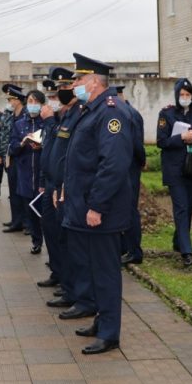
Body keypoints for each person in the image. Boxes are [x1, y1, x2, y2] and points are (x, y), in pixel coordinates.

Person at [62, 53, 134, 355]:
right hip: (84, 205)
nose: (74, 84)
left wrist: (97, 206)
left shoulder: (111, 112)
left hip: (101, 210)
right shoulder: (88, 110)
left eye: (78, 79)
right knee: (93, 269)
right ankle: (101, 320)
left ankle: (110, 333)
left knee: (105, 272)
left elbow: (113, 165)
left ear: (93, 82)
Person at [157, 78, 192, 268]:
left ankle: (178, 241)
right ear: (176, 95)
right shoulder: (167, 113)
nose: (185, 98)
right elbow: (161, 142)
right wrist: (181, 137)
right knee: (180, 208)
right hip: (174, 170)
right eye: (182, 95)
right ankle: (187, 252)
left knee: (188, 209)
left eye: (188, 95)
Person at [39, 68, 79, 308]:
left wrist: (50, 121)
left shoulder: (69, 117)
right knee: (51, 231)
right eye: (53, 94)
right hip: (52, 183)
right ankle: (60, 275)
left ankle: (69, 285)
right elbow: (51, 151)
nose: (55, 98)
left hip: (64, 185)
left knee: (65, 238)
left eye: (60, 91)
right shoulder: (62, 117)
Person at [9, 90, 46, 254]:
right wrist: (23, 143)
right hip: (24, 174)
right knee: (30, 212)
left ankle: (51, 245)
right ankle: (36, 241)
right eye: (30, 101)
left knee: (45, 212)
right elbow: (13, 147)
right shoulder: (19, 124)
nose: (33, 105)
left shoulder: (46, 123)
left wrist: (42, 145)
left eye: (36, 101)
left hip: (43, 174)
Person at [118, 85, 146, 266]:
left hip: (130, 167)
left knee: (129, 209)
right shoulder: (123, 112)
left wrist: (141, 162)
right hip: (124, 166)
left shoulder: (129, 113)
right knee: (122, 208)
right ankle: (124, 248)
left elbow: (137, 144)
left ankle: (134, 251)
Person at [0, 85, 27, 232]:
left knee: (24, 191)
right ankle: (17, 220)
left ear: (17, 100)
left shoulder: (26, 114)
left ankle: (27, 222)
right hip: (12, 156)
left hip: (24, 158)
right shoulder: (11, 114)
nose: (9, 102)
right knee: (14, 190)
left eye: (11, 99)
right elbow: (4, 135)